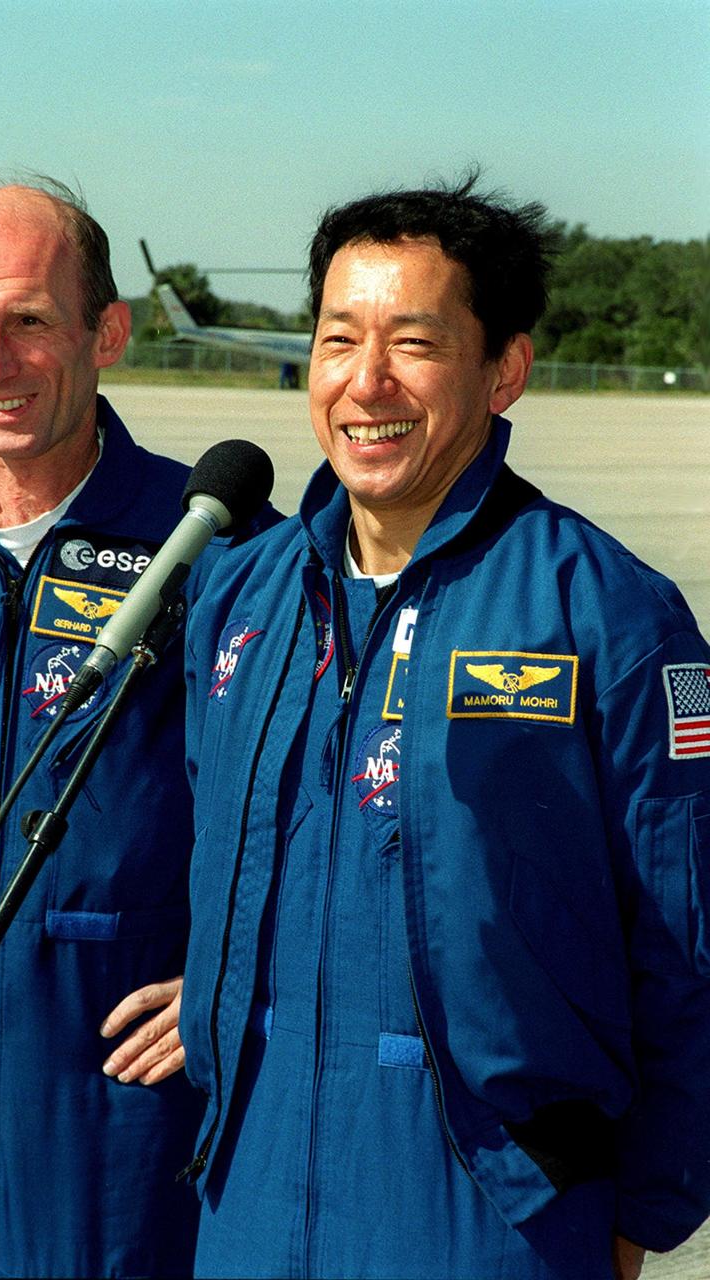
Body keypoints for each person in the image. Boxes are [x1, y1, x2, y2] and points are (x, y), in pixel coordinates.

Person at [178, 177, 710, 1280]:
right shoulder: (239, 596)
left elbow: (687, 935)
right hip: (252, 1188)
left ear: (500, 368)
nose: (363, 381)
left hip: (493, 1205)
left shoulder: (610, 614)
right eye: (337, 339)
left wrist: (648, 1205)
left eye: (412, 342)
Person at [0, 176, 269, 1277]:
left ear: (108, 333)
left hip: (112, 1079)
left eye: (29, 322)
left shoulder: (222, 545)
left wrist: (235, 976)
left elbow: (309, 794)